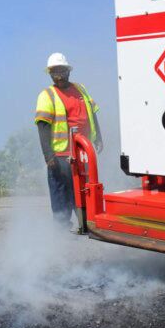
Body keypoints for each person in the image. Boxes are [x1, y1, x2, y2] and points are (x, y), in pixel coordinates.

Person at [34, 53, 103, 231]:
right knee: (60, 191)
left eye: (62, 71)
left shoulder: (81, 89)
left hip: (82, 151)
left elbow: (92, 113)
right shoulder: (47, 95)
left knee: (82, 188)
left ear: (68, 72)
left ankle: (85, 223)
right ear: (50, 74)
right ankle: (61, 228)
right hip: (61, 154)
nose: (59, 75)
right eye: (55, 72)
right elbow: (43, 127)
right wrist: (48, 155)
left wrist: (99, 137)